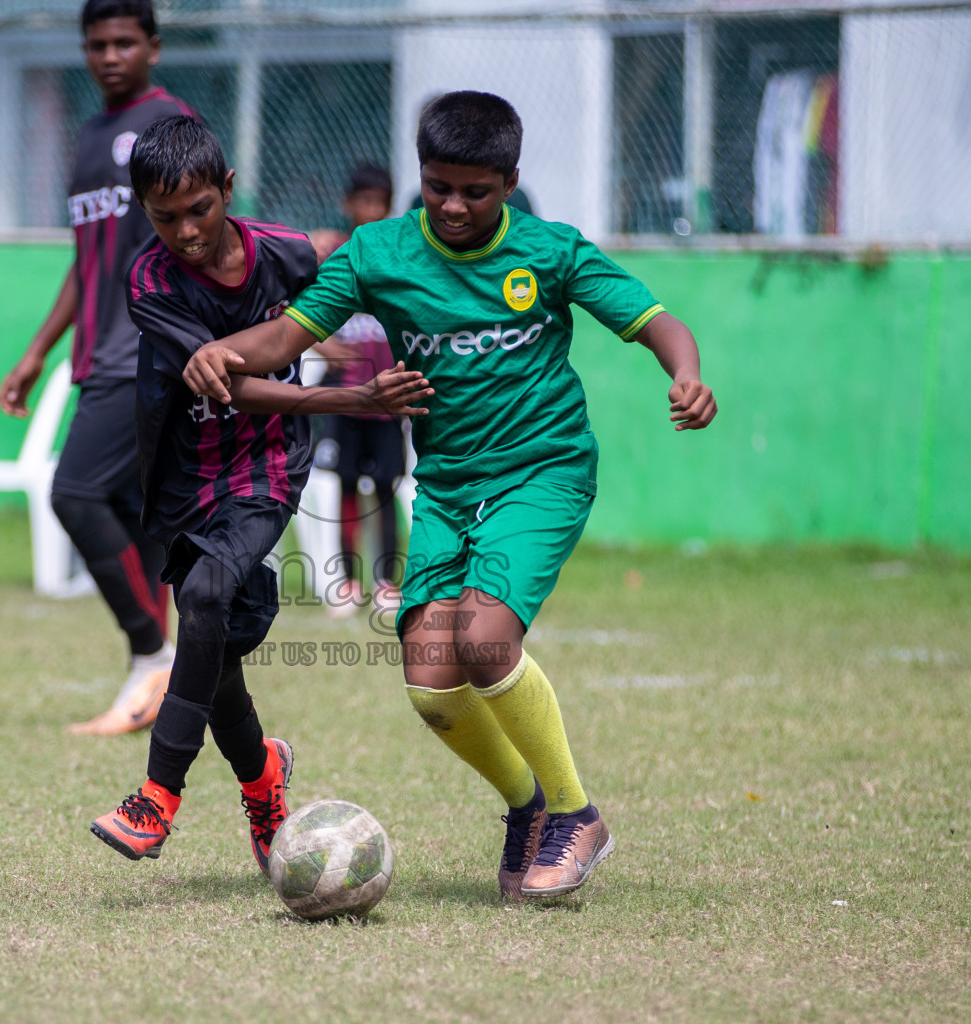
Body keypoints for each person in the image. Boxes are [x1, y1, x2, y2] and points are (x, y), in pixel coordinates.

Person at [181, 91, 717, 899]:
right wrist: (223, 351)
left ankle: (577, 814)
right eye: (438, 187)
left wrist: (686, 372)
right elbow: (288, 336)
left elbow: (654, 322)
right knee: (431, 682)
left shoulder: (551, 252)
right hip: (446, 485)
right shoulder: (377, 253)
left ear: (509, 182)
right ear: (418, 177)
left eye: (476, 190)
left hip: (544, 469)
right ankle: (527, 808)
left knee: (485, 638)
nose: (455, 206)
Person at [88, 116, 432, 869]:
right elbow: (235, 385)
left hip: (264, 467)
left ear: (229, 190)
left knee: (206, 601)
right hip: (184, 477)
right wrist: (354, 400)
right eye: (164, 216)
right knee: (216, 666)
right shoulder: (148, 280)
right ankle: (263, 779)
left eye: (200, 209)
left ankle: (157, 797)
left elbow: (364, 290)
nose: (184, 231)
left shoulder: (287, 255)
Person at [0, 0, 194, 737]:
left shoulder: (172, 128)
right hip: (97, 354)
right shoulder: (88, 139)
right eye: (96, 44)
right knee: (141, 521)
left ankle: (155, 656)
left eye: (124, 42)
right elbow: (87, 262)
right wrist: (38, 349)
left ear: (152, 46)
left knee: (75, 493)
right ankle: (155, 680)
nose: (109, 56)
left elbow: (203, 240)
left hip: (149, 352)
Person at [306, 164, 407, 618]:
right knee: (347, 486)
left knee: (384, 489)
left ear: (388, 207)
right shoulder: (333, 254)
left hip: (388, 402)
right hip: (345, 398)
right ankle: (347, 582)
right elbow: (298, 308)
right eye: (362, 202)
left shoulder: (400, 255)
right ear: (348, 205)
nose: (369, 210)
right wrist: (322, 344)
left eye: (378, 203)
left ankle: (388, 581)